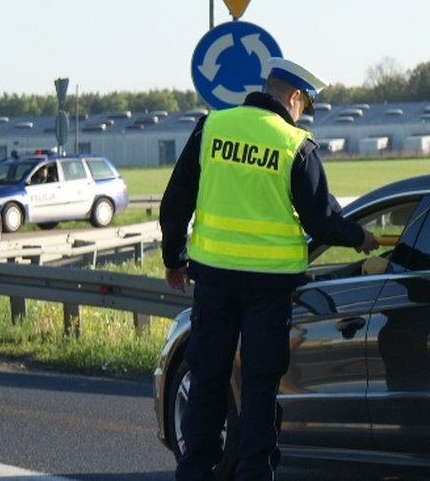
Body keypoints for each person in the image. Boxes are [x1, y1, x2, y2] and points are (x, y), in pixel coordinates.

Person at [159, 57, 379, 481]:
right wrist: (360, 238)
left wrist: (174, 259)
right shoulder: (295, 145)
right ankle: (253, 474)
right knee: (260, 386)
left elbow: (176, 202)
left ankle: (194, 472)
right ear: (294, 98)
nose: (301, 115)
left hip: (214, 281)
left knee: (208, 380)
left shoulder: (212, 128)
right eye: (304, 106)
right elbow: (322, 221)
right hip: (268, 290)